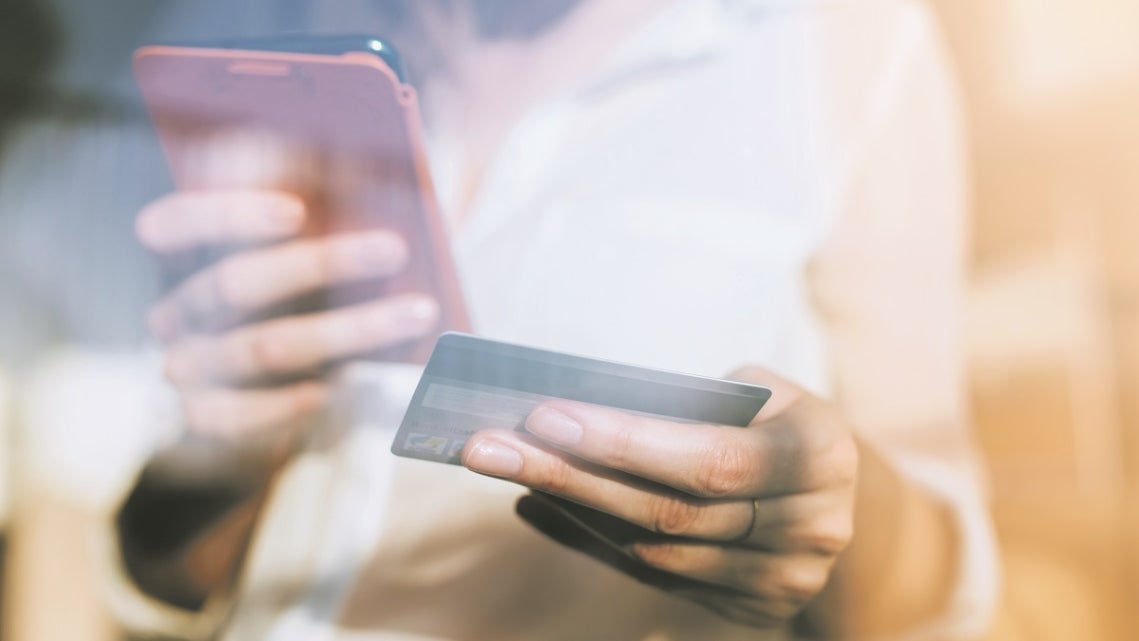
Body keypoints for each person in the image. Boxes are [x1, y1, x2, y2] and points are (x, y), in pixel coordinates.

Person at [7, 0, 997, 639]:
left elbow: (946, 598)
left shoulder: (839, 49)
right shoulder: (209, 32)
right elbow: (85, 545)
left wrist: (839, 520)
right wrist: (218, 472)